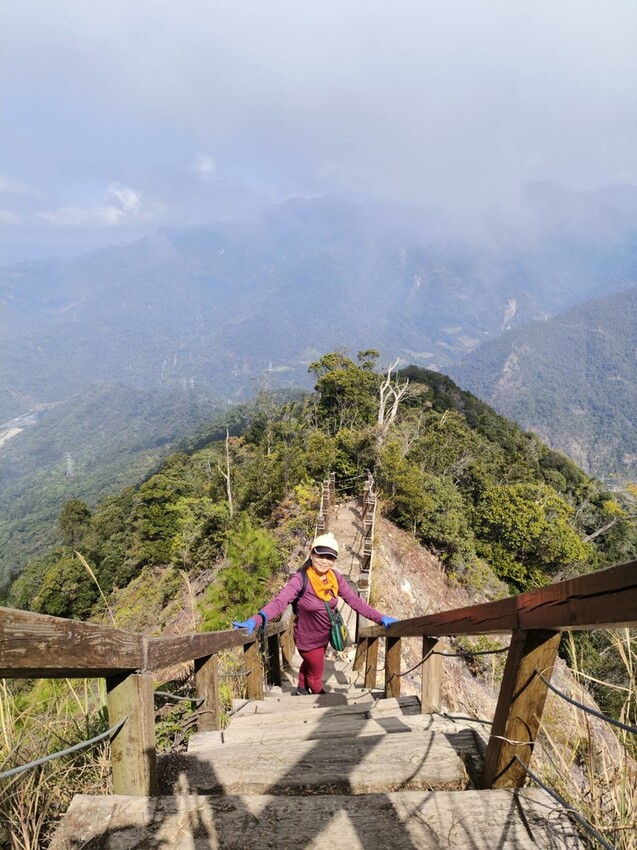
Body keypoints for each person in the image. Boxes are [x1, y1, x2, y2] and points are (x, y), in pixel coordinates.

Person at [232, 532, 399, 695]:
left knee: (310, 665)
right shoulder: (300, 579)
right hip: (307, 639)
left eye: (330, 557)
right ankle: (318, 700)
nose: (325, 561)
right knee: (316, 679)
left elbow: (355, 602)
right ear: (311, 553)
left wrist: (380, 617)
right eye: (321, 555)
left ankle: (301, 690)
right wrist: (255, 620)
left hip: (324, 636)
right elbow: (279, 603)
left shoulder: (335, 578)